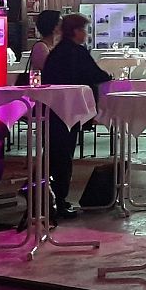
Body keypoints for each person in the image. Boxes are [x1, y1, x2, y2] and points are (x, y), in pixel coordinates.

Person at [40, 14, 109, 218]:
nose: (86, 35)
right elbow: (97, 75)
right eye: (84, 30)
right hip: (68, 112)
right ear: (76, 31)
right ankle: (60, 202)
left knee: (52, 156)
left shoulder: (56, 53)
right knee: (64, 158)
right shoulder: (77, 53)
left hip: (51, 111)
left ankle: (49, 200)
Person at [28, 9, 62, 77]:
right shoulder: (41, 47)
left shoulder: (55, 45)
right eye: (61, 22)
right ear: (54, 27)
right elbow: (50, 70)